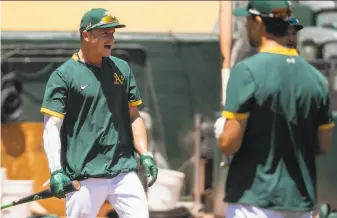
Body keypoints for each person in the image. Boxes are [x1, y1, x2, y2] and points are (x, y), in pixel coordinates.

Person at [214, 0, 335, 217]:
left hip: (253, 202)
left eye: (248, 20)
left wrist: (222, 133)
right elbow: (324, 145)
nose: (246, 25)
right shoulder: (317, 80)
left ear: (258, 22)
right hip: (300, 205)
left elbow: (229, 144)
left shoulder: (247, 71)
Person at [40, 8, 158, 218]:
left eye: (113, 33)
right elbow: (51, 126)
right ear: (86, 35)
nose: (111, 38)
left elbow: (134, 116)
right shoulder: (63, 76)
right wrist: (56, 169)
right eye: (105, 33)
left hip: (123, 170)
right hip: (84, 175)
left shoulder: (122, 69)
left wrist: (145, 154)